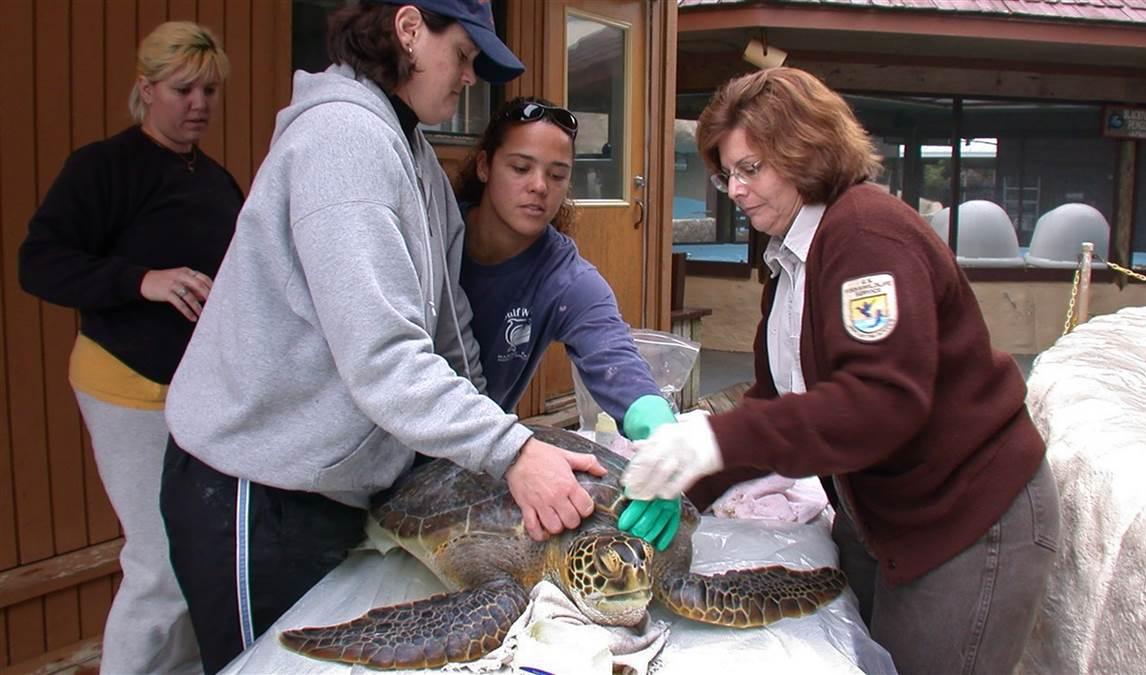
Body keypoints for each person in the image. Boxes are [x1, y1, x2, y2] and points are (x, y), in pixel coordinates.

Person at [157, 3, 604, 672]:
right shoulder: (344, 140)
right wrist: (511, 451)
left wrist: (484, 460)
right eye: (463, 54)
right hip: (255, 484)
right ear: (408, 28)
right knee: (274, 663)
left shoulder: (413, 151)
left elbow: (450, 334)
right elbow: (384, 359)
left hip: (330, 485)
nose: (471, 77)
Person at [621, 67, 1060, 675]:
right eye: (728, 175)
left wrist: (710, 440)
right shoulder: (792, 257)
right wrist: (678, 484)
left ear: (806, 150)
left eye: (754, 168)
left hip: (966, 514)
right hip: (879, 508)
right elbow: (779, 400)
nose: (738, 191)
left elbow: (881, 402)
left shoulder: (866, 235)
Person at [17, 20, 240, 675]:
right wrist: (139, 280)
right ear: (146, 90)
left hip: (198, 395)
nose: (198, 103)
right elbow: (39, 261)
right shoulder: (103, 168)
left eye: (209, 90)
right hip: (125, 387)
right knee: (161, 558)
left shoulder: (215, 179)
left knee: (202, 552)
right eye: (182, 89)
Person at [455, 96, 682, 551]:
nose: (539, 186)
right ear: (484, 166)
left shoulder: (564, 278)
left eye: (557, 175)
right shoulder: (431, 237)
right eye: (521, 168)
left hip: (473, 463)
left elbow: (613, 358)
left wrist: (660, 433)